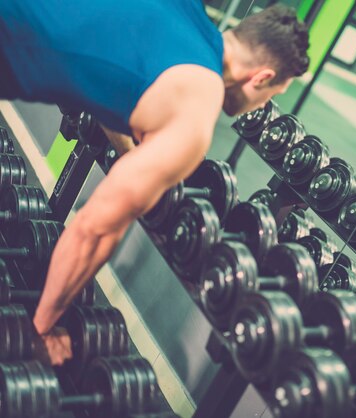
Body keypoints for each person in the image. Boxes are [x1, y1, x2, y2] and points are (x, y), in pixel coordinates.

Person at [0, 1, 309, 364]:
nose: (260, 105)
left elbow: (116, 74)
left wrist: (138, 156)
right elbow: (93, 229)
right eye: (271, 95)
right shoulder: (198, 113)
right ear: (260, 78)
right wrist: (42, 331)